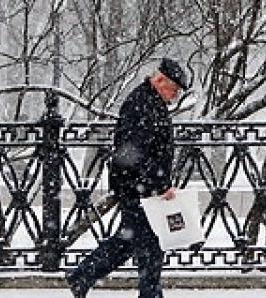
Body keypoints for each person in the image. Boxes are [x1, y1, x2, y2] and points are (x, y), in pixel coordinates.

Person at [66, 58, 189, 298]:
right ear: (160, 80)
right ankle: (143, 292)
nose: (175, 96)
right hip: (138, 188)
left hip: (140, 187)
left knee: (132, 241)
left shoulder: (149, 102)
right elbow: (134, 153)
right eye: (174, 89)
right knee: (147, 246)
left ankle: (83, 276)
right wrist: (160, 184)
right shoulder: (142, 104)